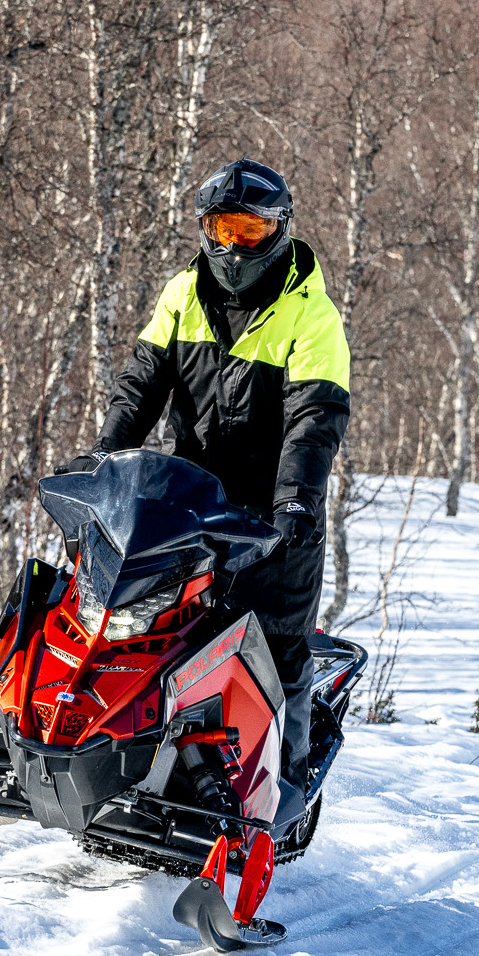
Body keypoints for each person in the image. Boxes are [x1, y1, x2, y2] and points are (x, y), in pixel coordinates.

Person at [63, 158, 351, 804]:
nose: (230, 245)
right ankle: (113, 754)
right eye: (220, 227)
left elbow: (314, 419)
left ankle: (286, 787)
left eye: (248, 230)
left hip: (275, 509)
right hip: (187, 499)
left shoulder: (312, 314)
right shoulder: (182, 292)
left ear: (277, 229)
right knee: (136, 624)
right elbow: (141, 382)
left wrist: (296, 499)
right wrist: (106, 454)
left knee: (276, 641)